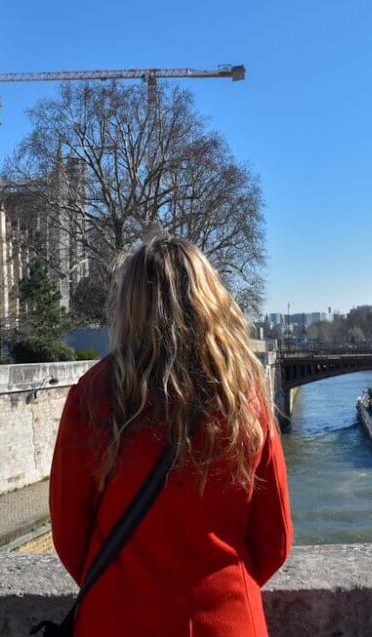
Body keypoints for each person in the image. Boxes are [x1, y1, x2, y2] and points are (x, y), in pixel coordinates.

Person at [49, 235, 292, 636]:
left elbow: (69, 536)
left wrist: (122, 590)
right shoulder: (245, 395)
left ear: (129, 307)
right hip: (227, 621)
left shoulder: (92, 396)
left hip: (116, 620)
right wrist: (218, 589)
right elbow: (275, 538)